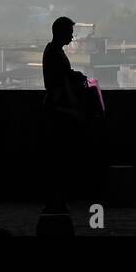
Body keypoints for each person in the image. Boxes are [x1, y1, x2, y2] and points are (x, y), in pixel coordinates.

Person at [42, 16, 86, 211]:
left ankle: (56, 199)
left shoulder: (52, 51)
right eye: (69, 31)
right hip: (59, 109)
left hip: (56, 107)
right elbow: (62, 82)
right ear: (60, 32)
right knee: (60, 157)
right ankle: (58, 198)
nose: (72, 35)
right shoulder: (56, 53)